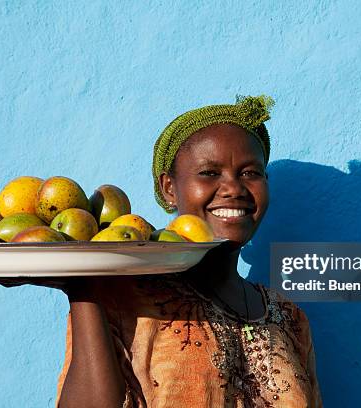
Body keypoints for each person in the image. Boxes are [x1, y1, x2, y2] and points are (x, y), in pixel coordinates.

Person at [54, 95, 322, 407]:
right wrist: (82, 286)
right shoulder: (122, 297)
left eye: (250, 173)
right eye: (209, 172)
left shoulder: (288, 315)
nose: (234, 188)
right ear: (169, 188)